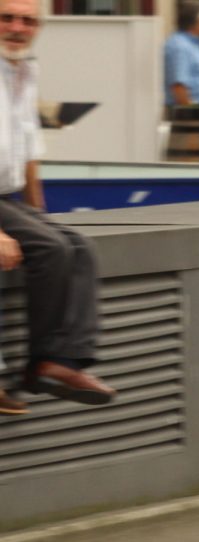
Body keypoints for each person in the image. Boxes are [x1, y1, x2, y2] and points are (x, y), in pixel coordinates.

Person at [0, 0, 116, 410]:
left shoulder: (25, 70)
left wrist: (40, 216)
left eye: (27, 20)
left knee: (80, 247)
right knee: (51, 249)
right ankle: (40, 365)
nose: (17, 27)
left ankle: (63, 360)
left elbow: (30, 154)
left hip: (6, 195)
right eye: (7, 18)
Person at [163, 1, 199, 108]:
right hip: (189, 116)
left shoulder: (194, 44)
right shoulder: (179, 46)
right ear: (198, 21)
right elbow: (179, 86)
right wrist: (191, 112)